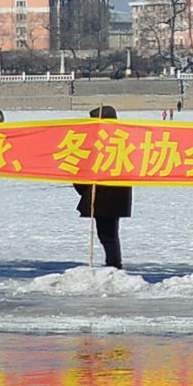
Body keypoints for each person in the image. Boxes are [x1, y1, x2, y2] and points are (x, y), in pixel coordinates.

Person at [73, 104, 133, 270]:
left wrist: (82, 188)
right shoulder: (123, 140)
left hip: (102, 196)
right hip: (115, 196)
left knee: (107, 235)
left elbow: (84, 168)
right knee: (110, 234)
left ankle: (114, 265)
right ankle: (113, 263)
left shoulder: (98, 143)